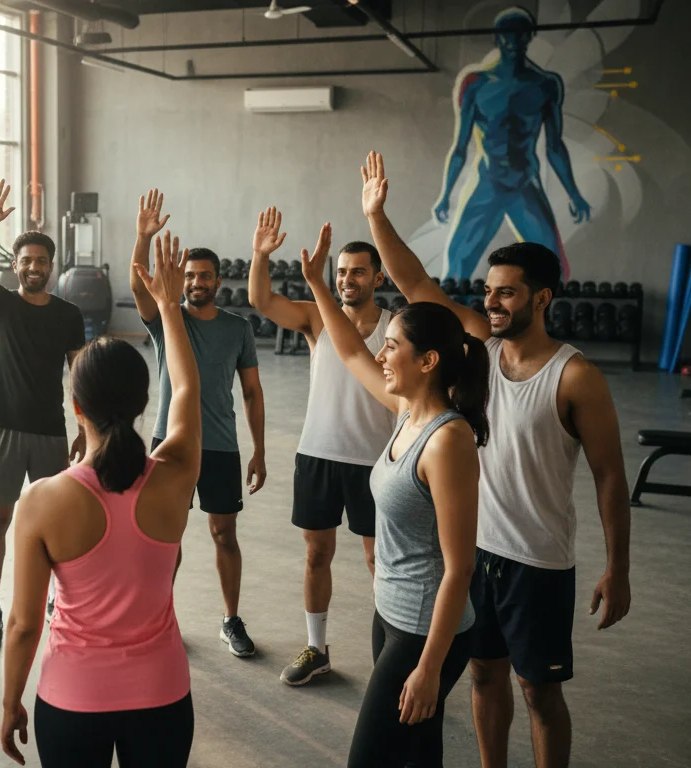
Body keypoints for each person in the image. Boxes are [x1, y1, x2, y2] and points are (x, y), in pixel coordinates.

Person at [363, 150, 632, 768]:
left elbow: (611, 476)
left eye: (505, 294)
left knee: (539, 691)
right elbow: (415, 287)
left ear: (541, 298)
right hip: (475, 553)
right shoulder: (479, 345)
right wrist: (378, 218)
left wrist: (617, 567)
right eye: (488, 292)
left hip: (538, 560)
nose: (491, 303)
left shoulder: (576, 377)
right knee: (484, 677)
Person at [0, 231, 201, 768]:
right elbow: (185, 391)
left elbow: (23, 624)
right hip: (161, 695)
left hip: (73, 698)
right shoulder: (176, 476)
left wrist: (8, 700)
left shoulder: (42, 501)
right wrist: (168, 309)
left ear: (76, 405)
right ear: (141, 404)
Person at [303, 226, 488, 767]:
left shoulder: (447, 440)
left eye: (393, 345)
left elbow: (460, 568)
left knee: (370, 757)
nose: (380, 354)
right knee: (418, 749)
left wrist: (430, 667)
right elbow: (347, 349)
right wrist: (317, 284)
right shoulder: (407, 411)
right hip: (392, 612)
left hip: (427, 628)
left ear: (428, 361)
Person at [248, 206, 397, 685]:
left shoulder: (397, 327)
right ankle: (316, 648)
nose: (348, 279)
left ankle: (391, 654)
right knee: (317, 555)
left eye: (357, 271)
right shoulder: (317, 318)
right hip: (318, 455)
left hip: (376, 461)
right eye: (341, 272)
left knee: (381, 560)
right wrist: (260, 254)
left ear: (378, 276)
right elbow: (261, 300)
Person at [128, 189, 266, 658]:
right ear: (181, 280)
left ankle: (231, 619)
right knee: (167, 536)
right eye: (189, 275)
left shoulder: (238, 328)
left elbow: (251, 392)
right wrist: (143, 237)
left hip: (222, 446)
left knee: (224, 534)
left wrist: (260, 450)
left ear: (218, 279)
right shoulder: (166, 319)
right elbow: (137, 284)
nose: (196, 282)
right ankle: (160, 617)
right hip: (170, 443)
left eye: (204, 275)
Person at [0, 179, 87, 647]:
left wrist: (84, 427)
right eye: (26, 260)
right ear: (15, 266)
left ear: (50, 267)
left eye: (41, 260)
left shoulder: (67, 314)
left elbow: (79, 374)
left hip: (50, 432)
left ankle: (59, 599)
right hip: (3, 429)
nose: (33, 267)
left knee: (54, 524)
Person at [433, 5, 591, 280]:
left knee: (553, 269)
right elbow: (460, 147)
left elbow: (555, 146)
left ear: (529, 38)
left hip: (524, 184)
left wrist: (574, 194)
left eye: (520, 35)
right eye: (507, 35)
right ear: (497, 38)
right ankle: (453, 323)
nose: (513, 42)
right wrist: (445, 195)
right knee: (456, 266)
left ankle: (547, 321)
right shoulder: (476, 85)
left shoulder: (545, 85)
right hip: (489, 183)